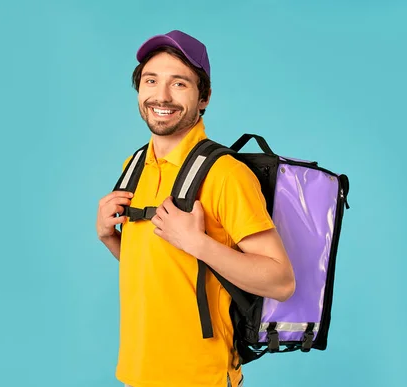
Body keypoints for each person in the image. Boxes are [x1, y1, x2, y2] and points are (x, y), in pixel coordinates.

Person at [96, 30, 296, 387]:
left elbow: (281, 282)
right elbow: (163, 270)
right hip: (137, 372)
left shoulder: (225, 174)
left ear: (203, 98)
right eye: (151, 81)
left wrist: (199, 243)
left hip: (200, 378)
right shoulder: (134, 166)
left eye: (180, 84)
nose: (162, 96)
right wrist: (110, 239)